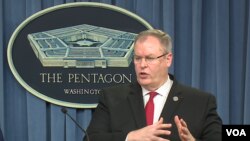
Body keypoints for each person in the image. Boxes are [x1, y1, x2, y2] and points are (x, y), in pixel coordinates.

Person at [85, 29, 222, 141]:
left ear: (168, 59)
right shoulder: (112, 98)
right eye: (138, 58)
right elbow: (90, 139)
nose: (142, 65)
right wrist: (130, 137)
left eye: (150, 58)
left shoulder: (200, 102)